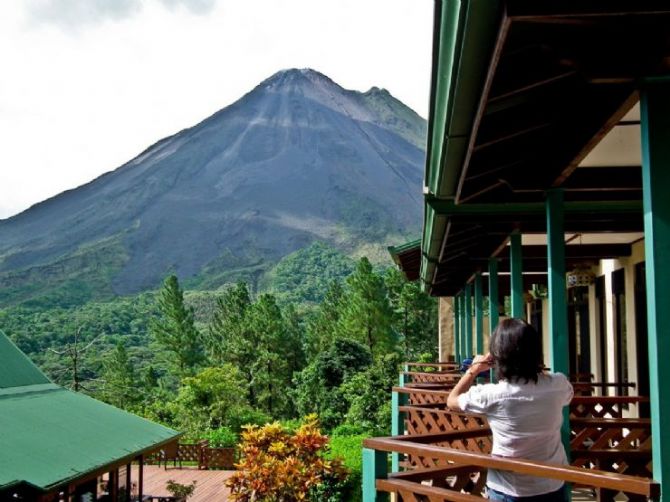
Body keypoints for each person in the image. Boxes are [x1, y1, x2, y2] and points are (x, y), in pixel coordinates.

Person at [447, 318, 573, 502]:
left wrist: (474, 369)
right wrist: (534, 365)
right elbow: (560, 391)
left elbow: (452, 401)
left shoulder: (492, 395)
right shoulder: (558, 384)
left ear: (498, 356)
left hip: (508, 489)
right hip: (552, 484)